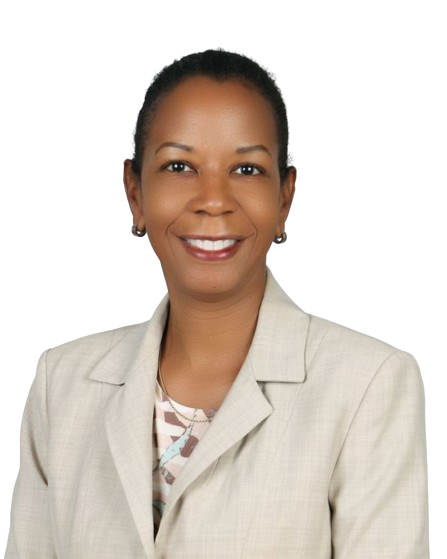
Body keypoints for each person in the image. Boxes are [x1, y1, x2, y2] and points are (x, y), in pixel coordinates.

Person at [5, 48, 429, 558]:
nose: (213, 199)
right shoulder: (62, 383)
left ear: (285, 197)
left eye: (247, 169)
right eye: (179, 165)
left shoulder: (369, 383)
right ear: (135, 193)